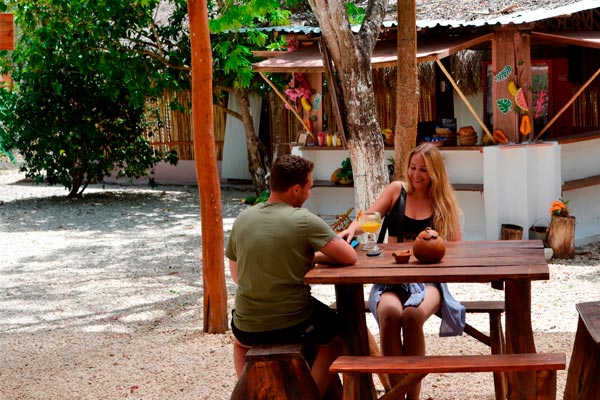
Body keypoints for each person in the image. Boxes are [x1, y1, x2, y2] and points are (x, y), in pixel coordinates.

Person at [339, 142, 465, 399]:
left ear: (435, 173)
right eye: (413, 168)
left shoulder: (442, 202)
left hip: (429, 281)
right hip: (391, 278)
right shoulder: (398, 191)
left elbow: (456, 247)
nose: (416, 175)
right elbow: (371, 217)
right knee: (388, 314)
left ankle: (413, 396)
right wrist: (353, 229)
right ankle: (396, 393)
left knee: (411, 316)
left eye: (423, 170)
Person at [226, 154, 357, 397]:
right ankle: (310, 394)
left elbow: (236, 276)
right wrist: (314, 257)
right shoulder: (304, 220)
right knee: (338, 337)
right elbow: (349, 256)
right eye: (309, 187)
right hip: (295, 323)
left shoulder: (243, 218)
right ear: (296, 189)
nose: (309, 193)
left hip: (247, 325)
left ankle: (249, 392)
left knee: (239, 343)